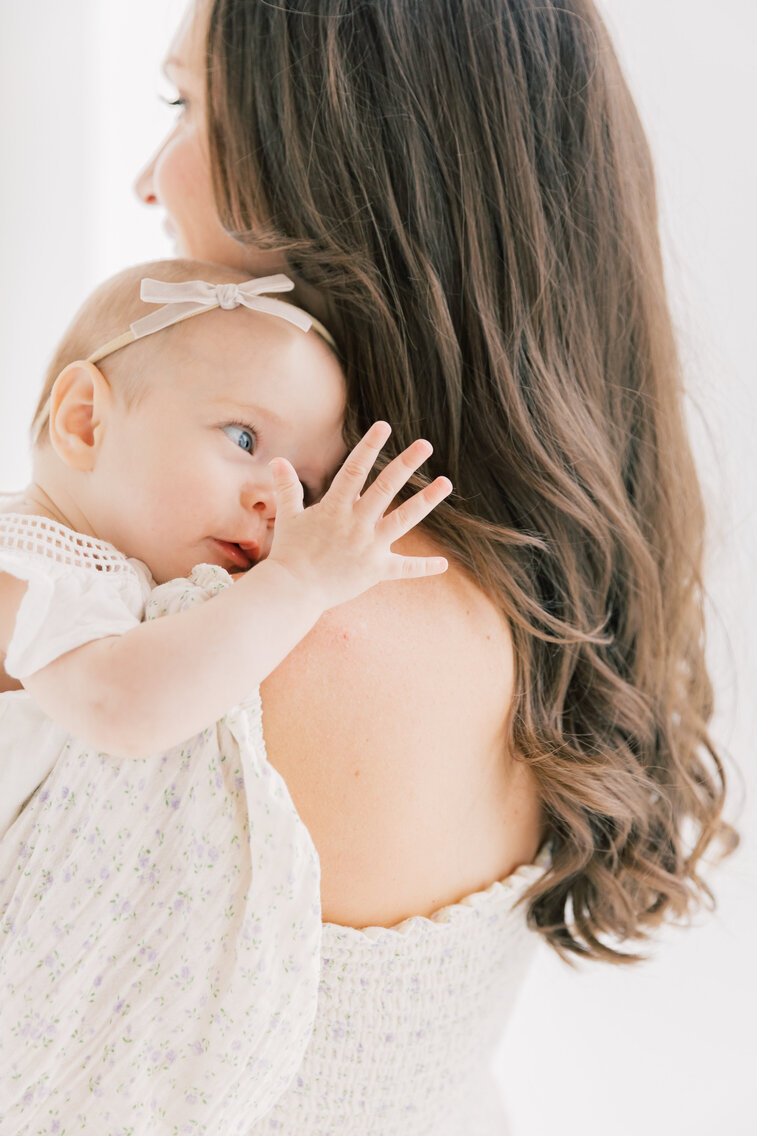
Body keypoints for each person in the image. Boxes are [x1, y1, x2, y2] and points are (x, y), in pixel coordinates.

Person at [5, 0, 740, 1132]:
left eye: (187, 105)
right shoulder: (519, 572)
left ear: (336, 172)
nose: (150, 180)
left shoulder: (262, 625)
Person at [0, 256, 451, 1132]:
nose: (275, 501)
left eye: (307, 488)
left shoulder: (103, 576)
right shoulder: (32, 566)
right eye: (244, 439)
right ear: (85, 421)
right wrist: (296, 588)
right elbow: (123, 710)